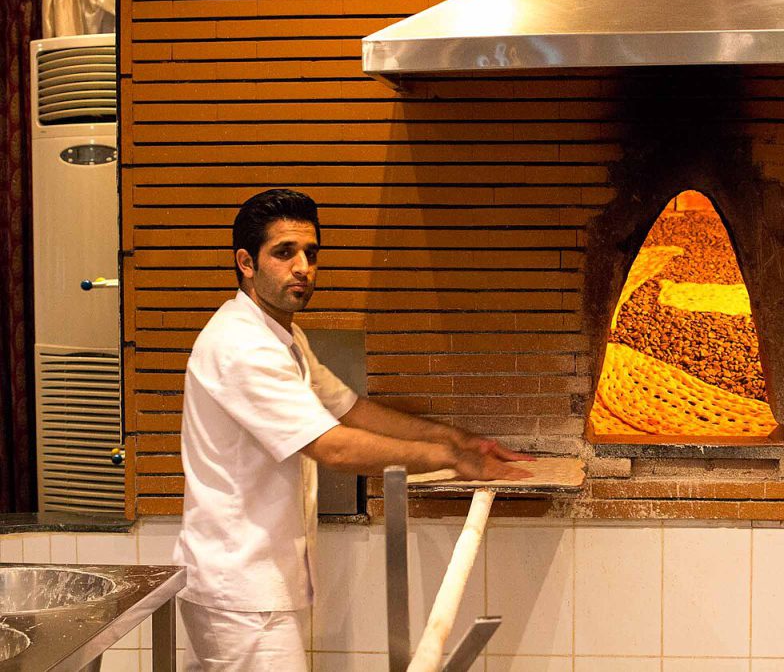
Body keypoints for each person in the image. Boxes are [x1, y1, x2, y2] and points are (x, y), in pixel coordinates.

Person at [172, 188, 532, 671]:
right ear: (246, 263)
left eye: (311, 254)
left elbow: (350, 410)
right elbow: (334, 447)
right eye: (285, 253)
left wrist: (457, 439)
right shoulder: (242, 346)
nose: (303, 266)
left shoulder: (283, 336)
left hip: (253, 585)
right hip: (240, 589)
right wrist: (450, 461)